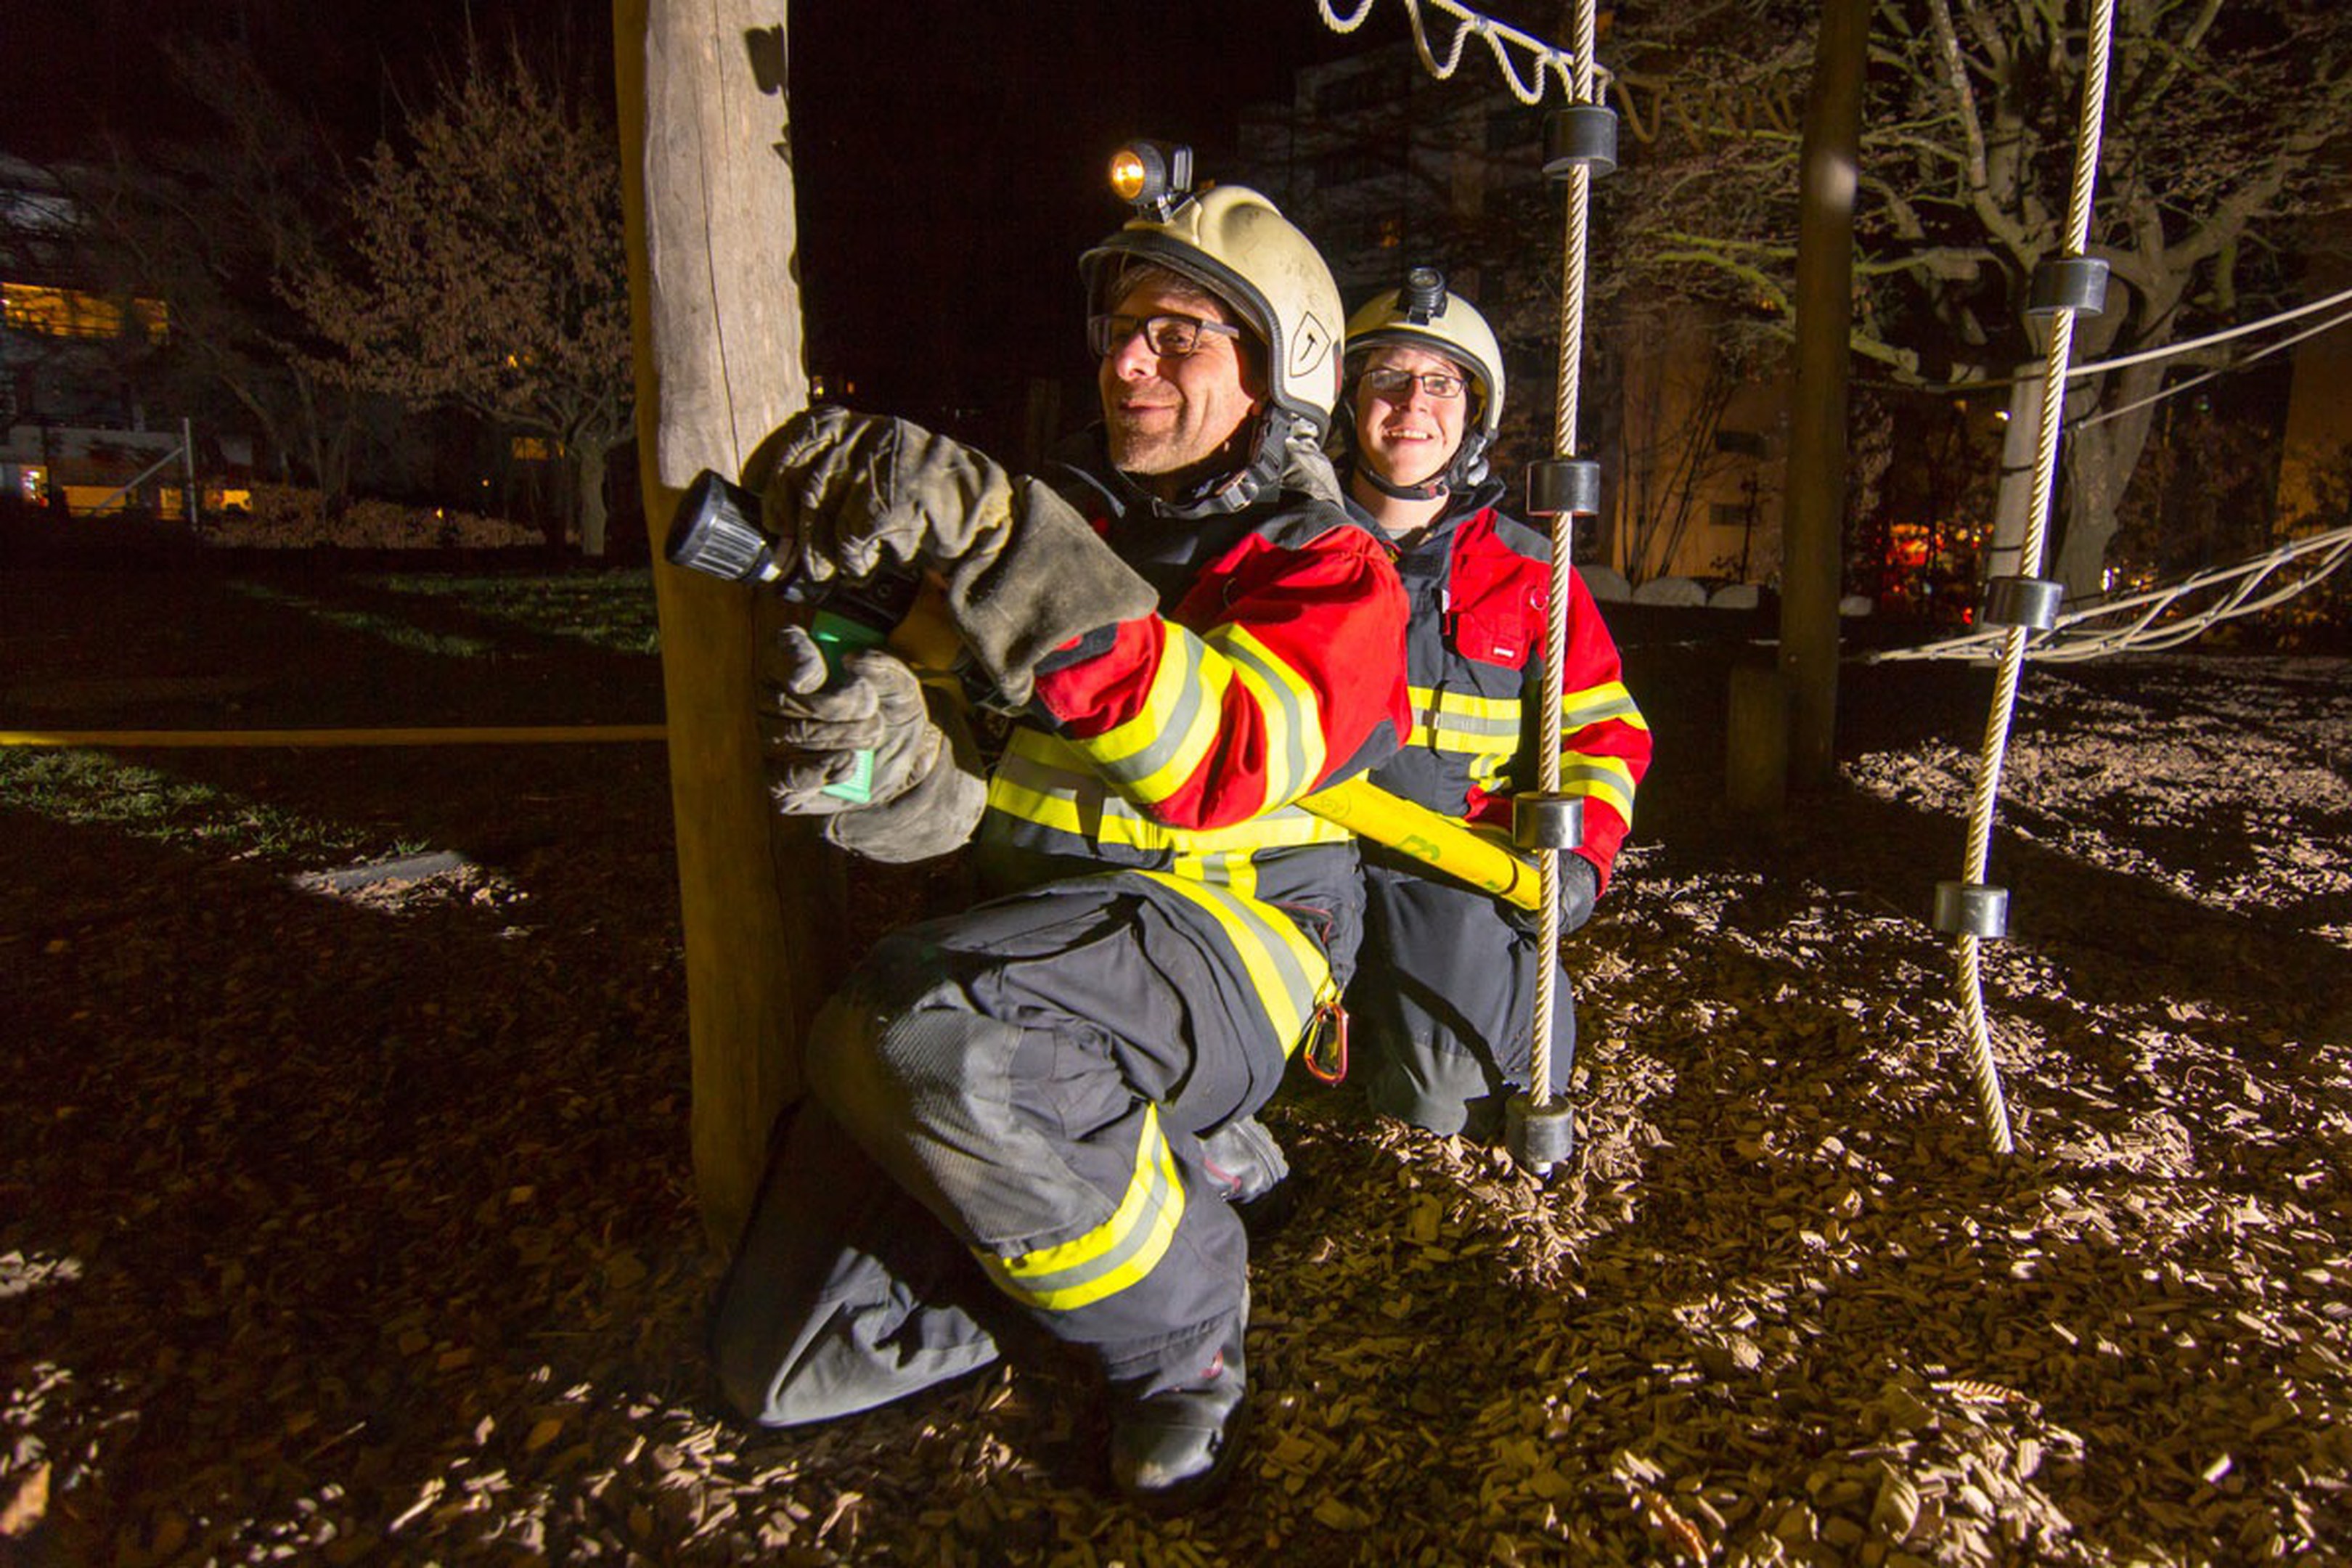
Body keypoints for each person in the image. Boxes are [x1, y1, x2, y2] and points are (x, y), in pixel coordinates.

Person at [707, 161, 1408, 1511]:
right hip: (1047, 939)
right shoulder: (1074, 532)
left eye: (1178, 335)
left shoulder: (1326, 568)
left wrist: (1001, 537)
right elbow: (973, 794)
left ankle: (1183, 1325)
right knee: (786, 1363)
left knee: (924, 1037)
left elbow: (1218, 760)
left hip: (1238, 942)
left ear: (1280, 372)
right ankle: (1167, 1167)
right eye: (1122, 330)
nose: (1128, 361)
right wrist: (878, 760)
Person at [1335, 267, 1651, 1143]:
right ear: (1347, 402)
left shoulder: (1530, 573)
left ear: (1475, 416)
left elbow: (1604, 731)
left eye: (1441, 384)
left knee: (1446, 1096)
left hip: (1448, 862)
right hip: (1296, 847)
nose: (1413, 404)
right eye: (1388, 377)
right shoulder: (1294, 543)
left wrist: (1580, 856)